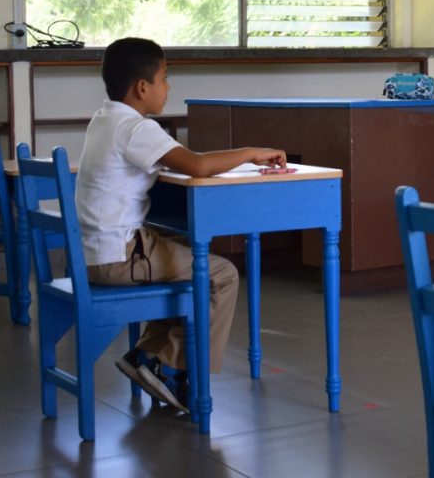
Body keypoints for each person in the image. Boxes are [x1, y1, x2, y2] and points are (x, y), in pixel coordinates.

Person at [76, 37, 287, 412]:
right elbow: (198, 165)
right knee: (221, 274)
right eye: (164, 78)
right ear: (142, 87)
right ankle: (172, 366)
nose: (168, 87)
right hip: (118, 257)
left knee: (188, 255)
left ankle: (147, 355)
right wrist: (252, 153)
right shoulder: (136, 129)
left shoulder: (103, 119)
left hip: (91, 253)